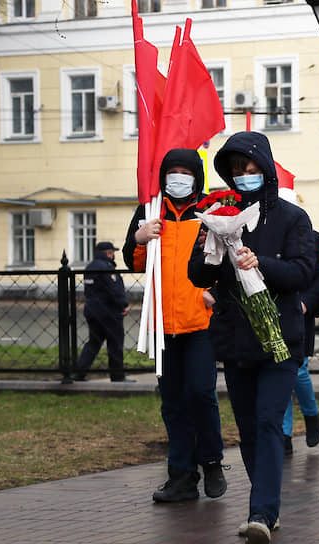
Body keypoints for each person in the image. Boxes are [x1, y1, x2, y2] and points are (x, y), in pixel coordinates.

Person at [188, 131, 314, 544]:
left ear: (267, 169)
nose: (245, 177)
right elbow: (197, 276)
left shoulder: (292, 218)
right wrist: (210, 249)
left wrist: (264, 264)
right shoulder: (219, 216)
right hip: (236, 339)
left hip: (280, 341)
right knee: (247, 428)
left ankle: (261, 512)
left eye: (252, 169)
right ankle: (266, 507)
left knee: (266, 421)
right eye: (237, 171)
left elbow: (302, 272)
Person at [123, 148, 226, 503]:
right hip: (162, 325)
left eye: (185, 172)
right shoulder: (150, 211)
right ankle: (181, 476)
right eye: (172, 172)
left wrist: (215, 292)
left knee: (201, 393)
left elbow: (224, 261)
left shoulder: (209, 213)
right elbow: (135, 262)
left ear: (196, 177)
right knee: (173, 403)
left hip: (200, 322)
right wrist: (140, 239)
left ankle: (211, 460)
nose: (178, 178)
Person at [277, 187, 319, 456]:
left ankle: (311, 414)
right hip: (273, 312)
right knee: (280, 370)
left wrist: (306, 302)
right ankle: (284, 433)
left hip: (299, 312)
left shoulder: (313, 238)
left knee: (297, 370)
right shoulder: (269, 236)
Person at [74, 241, 132, 383]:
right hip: (109, 312)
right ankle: (117, 376)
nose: (113, 256)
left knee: (93, 343)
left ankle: (79, 373)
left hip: (92, 311)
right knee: (115, 343)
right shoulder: (107, 268)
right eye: (112, 253)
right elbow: (114, 289)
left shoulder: (90, 267)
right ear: (108, 253)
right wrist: (123, 305)